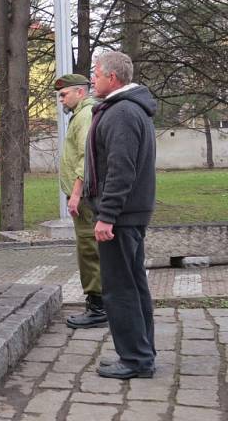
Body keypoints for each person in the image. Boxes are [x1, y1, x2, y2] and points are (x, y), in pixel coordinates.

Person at [86, 51, 156, 380]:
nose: (92, 79)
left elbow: (121, 169)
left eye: (96, 74)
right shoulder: (125, 109)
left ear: (112, 78)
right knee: (134, 285)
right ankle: (142, 352)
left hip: (121, 216)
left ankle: (135, 359)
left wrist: (107, 215)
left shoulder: (123, 113)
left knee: (120, 289)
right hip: (129, 214)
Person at [54, 74, 106, 329]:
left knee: (88, 249)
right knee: (90, 247)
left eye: (64, 94)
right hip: (86, 193)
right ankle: (101, 303)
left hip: (85, 196)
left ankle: (98, 308)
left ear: (80, 92)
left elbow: (86, 157)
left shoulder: (85, 115)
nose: (61, 99)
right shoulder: (84, 113)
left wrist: (75, 194)